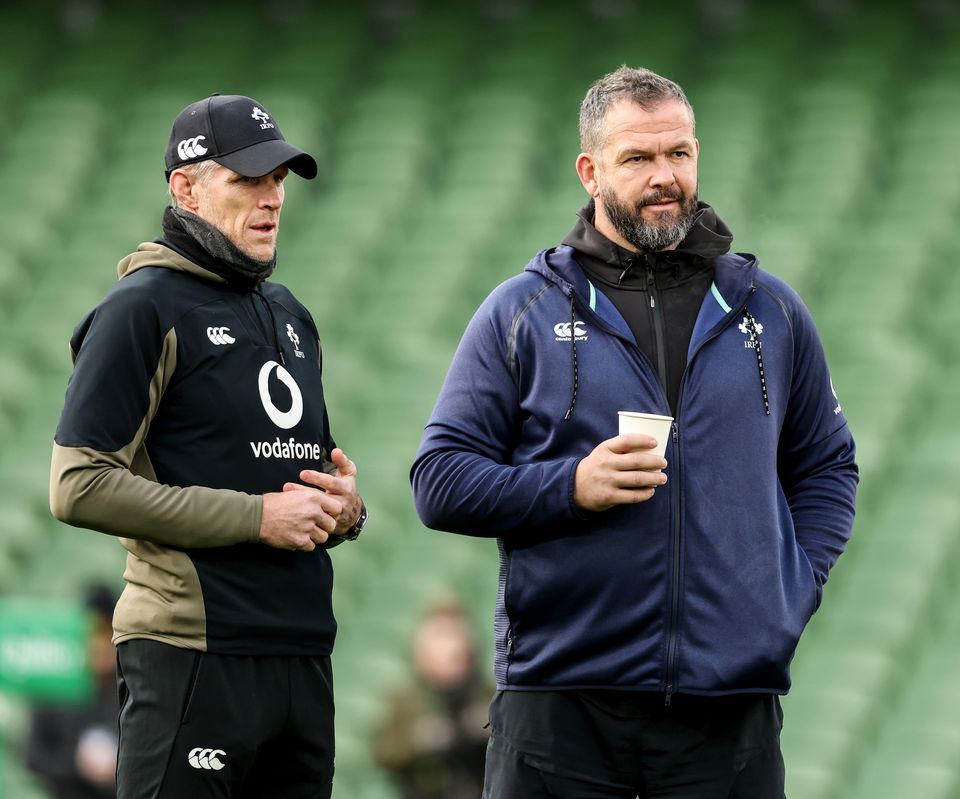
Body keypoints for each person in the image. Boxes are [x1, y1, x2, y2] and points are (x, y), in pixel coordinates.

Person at [410, 66, 858, 798]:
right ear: (590, 170)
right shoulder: (520, 310)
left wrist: (792, 588)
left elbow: (828, 465)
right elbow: (439, 479)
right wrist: (572, 486)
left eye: (678, 154)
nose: (664, 177)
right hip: (560, 710)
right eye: (638, 158)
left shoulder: (769, 309)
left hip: (727, 714)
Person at [48, 93, 367, 799]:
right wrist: (256, 517)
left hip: (302, 653)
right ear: (185, 187)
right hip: (193, 651)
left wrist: (347, 509)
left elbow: (305, 471)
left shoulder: (289, 314)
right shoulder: (140, 309)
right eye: (248, 179)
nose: (272, 198)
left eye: (279, 179)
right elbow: (77, 484)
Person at [372, 597, 493, 799]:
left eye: (456, 636)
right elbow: (382, 752)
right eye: (440, 638)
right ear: (421, 650)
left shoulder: (486, 693)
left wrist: (491, 728)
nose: (450, 648)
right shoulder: (406, 697)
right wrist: (417, 739)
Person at [24, 586, 121, 799]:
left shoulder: (134, 690)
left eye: (107, 633)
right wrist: (76, 763)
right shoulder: (56, 686)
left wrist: (118, 764)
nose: (99, 643)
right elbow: (33, 755)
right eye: (93, 632)